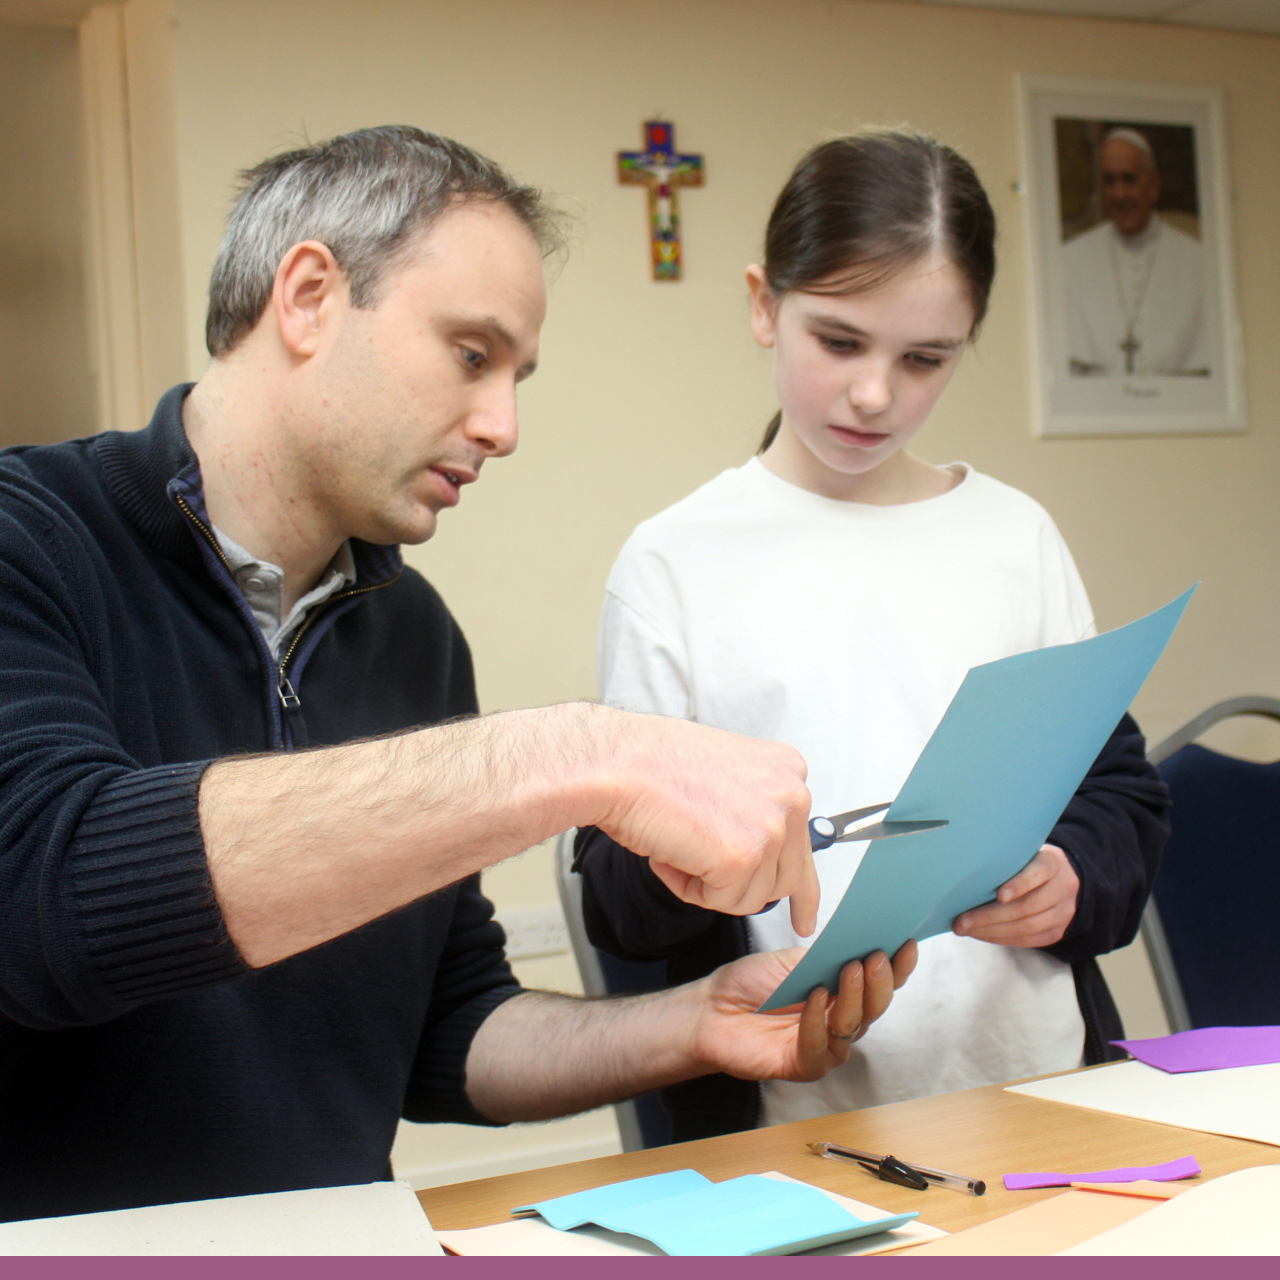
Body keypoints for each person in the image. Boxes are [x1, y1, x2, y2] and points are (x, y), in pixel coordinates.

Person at [0, 126, 921, 1223]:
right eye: (471, 355)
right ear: (308, 298)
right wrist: (576, 751)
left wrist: (693, 1022)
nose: (503, 426)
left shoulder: (414, 634)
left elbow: (454, 1031)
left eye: (515, 377)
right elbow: (48, 890)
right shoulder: (27, 540)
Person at [576, 130, 1170, 1142]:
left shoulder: (1012, 537)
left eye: (923, 358)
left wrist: (1073, 874)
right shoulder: (673, 561)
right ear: (763, 305)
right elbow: (618, 900)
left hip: (1039, 1088)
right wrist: (696, 862)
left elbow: (1120, 795)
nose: (873, 394)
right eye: (839, 342)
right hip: (787, 1123)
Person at [1063, 127, 1209, 377]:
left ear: (1154, 185)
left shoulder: (1198, 260)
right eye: (1110, 180)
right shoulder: (1069, 258)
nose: (1119, 194)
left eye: (1129, 179)